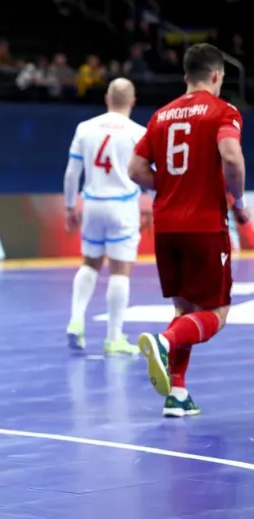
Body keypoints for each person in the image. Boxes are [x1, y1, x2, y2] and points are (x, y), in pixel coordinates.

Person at [128, 43, 249, 417]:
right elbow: (231, 157)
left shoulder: (161, 116)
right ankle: (165, 342)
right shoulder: (223, 111)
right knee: (217, 313)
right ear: (216, 75)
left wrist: (168, 188)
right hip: (205, 225)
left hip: (166, 226)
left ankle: (177, 394)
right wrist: (238, 203)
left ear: (185, 76)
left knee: (185, 309)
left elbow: (135, 169)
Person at [64, 78, 145, 356]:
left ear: (107, 98)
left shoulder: (85, 128)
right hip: (123, 206)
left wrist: (69, 206)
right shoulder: (139, 133)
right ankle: (114, 338)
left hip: (93, 204)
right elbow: (148, 174)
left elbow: (72, 173)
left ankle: (76, 320)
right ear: (132, 102)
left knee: (90, 264)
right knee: (120, 271)